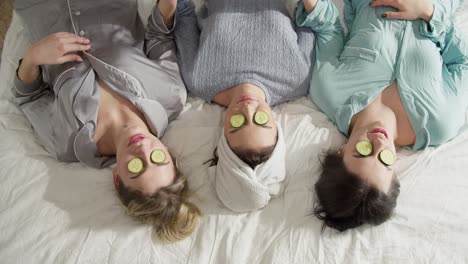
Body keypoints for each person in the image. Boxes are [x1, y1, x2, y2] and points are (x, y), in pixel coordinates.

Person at [12, 0, 200, 241]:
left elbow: (29, 97)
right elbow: (158, 36)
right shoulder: (171, 95)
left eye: (136, 168)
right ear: (170, 155)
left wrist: (33, 57)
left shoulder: (66, 144)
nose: (142, 150)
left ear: (117, 177)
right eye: (157, 159)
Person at [297, 0, 467, 230]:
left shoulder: (330, 93)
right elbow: (463, 64)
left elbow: (328, 26)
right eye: (384, 161)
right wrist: (429, 13)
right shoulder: (439, 123)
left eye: (363, 152)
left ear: (341, 152)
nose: (378, 143)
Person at [150, 0, 315, 212]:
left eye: (237, 123)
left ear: (223, 133)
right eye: (261, 121)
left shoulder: (198, 79)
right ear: (276, 126)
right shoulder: (298, 79)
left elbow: (182, 11)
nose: (248, 110)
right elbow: (308, 16)